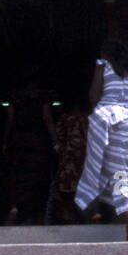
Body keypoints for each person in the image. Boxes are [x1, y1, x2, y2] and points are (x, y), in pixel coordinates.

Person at [74, 39, 128, 241]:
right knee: (122, 171)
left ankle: (93, 208)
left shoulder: (103, 66)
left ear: (107, 54)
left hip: (105, 120)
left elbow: (94, 96)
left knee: (96, 164)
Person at [3, 76, 56, 225]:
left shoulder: (15, 98)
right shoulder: (41, 98)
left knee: (18, 175)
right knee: (37, 176)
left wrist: (6, 141)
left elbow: (10, 119)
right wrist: (55, 142)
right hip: (36, 141)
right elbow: (48, 119)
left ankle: (16, 208)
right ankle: (34, 211)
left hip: (19, 140)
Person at [48, 95, 90, 223]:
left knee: (67, 187)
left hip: (70, 157)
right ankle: (75, 214)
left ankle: (72, 214)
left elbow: (58, 136)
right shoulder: (86, 120)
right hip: (79, 157)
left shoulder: (66, 119)